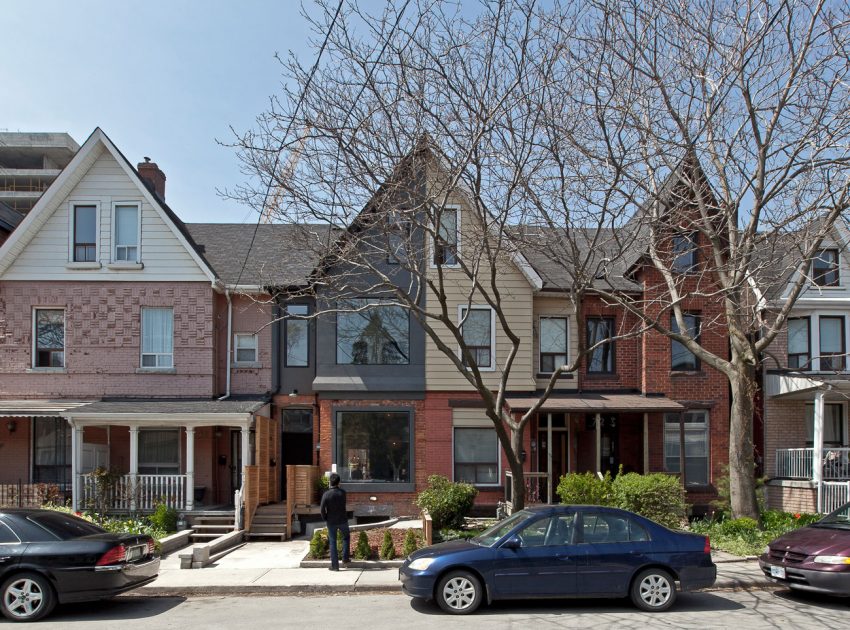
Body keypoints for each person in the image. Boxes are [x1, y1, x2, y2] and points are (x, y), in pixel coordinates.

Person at [319, 472, 350, 570]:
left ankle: (335, 566)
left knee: (332, 542)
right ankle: (345, 559)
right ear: (339, 482)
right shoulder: (343, 493)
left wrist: (325, 518)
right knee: (346, 538)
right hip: (343, 520)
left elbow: (322, 509)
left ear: (330, 482)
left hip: (331, 521)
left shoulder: (326, 494)